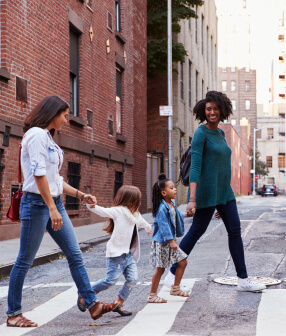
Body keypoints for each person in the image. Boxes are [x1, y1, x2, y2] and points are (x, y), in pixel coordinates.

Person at [7, 95, 117, 327]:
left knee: (75, 254)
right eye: (65, 115)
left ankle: (92, 304)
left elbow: (54, 179)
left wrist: (80, 195)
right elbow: (38, 175)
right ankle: (14, 314)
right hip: (38, 205)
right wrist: (51, 208)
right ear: (53, 113)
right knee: (25, 260)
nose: (67, 120)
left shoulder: (48, 138)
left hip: (52, 202)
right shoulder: (36, 135)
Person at [163, 91, 266, 293]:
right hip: (206, 192)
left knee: (235, 231)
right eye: (208, 109)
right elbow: (195, 168)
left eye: (215, 109)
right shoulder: (201, 133)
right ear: (204, 110)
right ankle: (172, 274)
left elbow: (221, 166)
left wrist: (221, 202)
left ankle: (243, 279)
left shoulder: (220, 133)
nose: (212, 112)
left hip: (224, 194)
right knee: (196, 231)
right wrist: (192, 199)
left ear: (222, 110)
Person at [77, 185, 152, 316]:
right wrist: (91, 205)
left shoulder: (135, 214)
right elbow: (102, 211)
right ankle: (85, 293)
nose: (139, 203)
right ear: (130, 201)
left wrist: (148, 228)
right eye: (138, 200)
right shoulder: (118, 211)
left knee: (133, 280)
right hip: (116, 255)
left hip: (128, 255)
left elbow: (142, 222)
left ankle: (118, 303)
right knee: (110, 281)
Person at [148, 174, 189, 303]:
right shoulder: (162, 208)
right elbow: (164, 226)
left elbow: (176, 215)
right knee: (160, 269)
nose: (175, 189)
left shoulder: (170, 204)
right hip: (163, 243)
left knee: (182, 262)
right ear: (164, 192)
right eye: (172, 188)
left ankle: (175, 288)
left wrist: (188, 214)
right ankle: (152, 295)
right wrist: (171, 241)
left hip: (170, 242)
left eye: (174, 187)